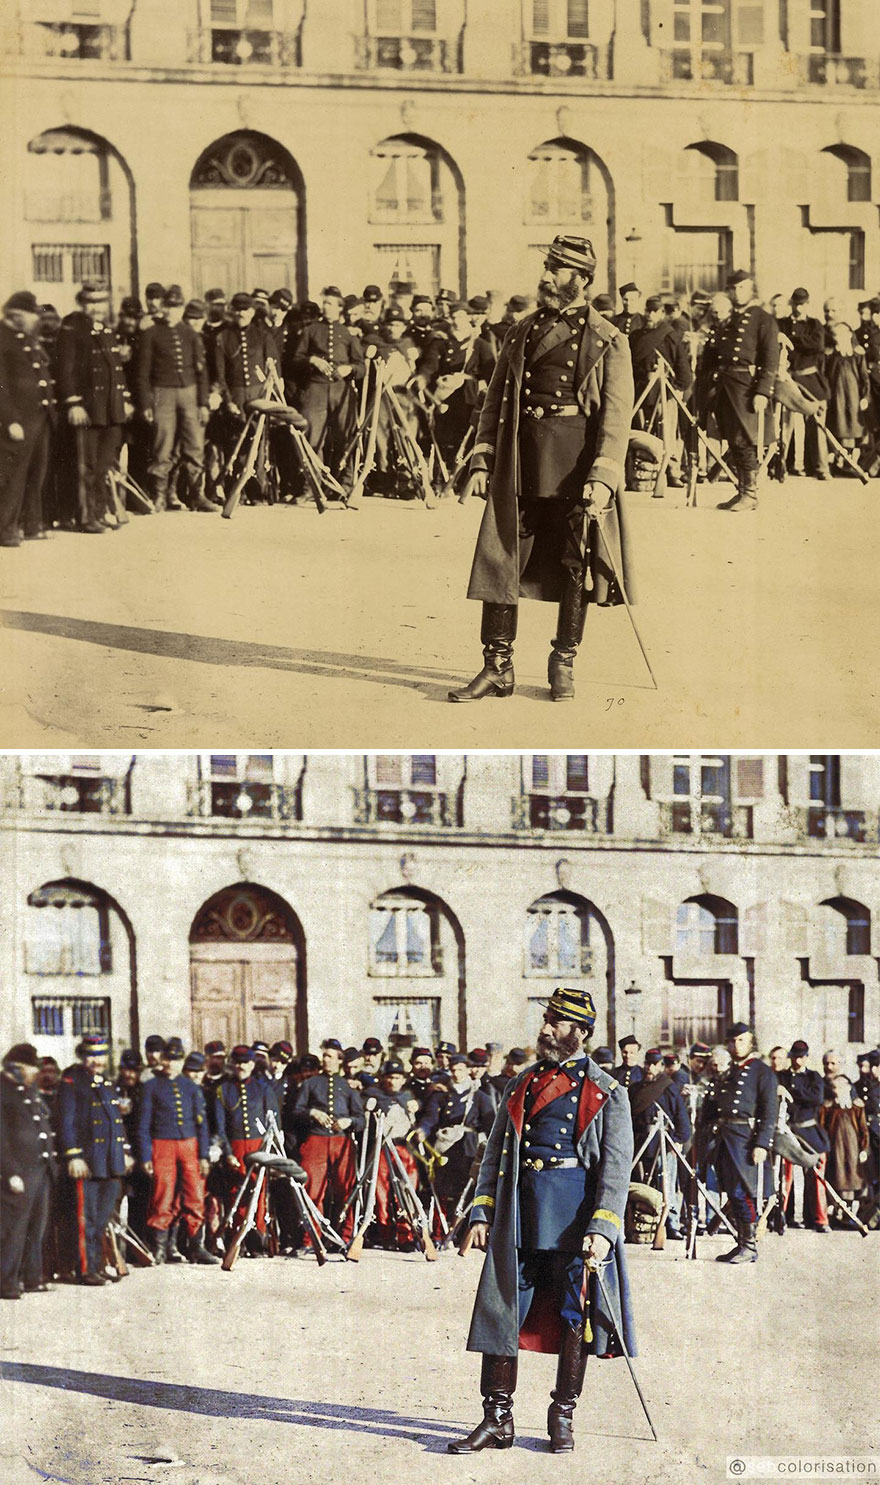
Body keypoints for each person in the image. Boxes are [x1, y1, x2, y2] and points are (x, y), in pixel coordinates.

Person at [448, 234, 634, 705]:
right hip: (520, 461)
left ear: (583, 280)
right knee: (500, 559)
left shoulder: (608, 339)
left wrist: (603, 477)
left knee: (575, 565)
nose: (547, 277)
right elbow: (493, 401)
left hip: (574, 468)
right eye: (547, 267)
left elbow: (616, 417)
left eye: (558, 270)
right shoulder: (522, 329)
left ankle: (563, 662)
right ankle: (497, 667)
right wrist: (483, 458)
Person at [449, 987, 634, 1455]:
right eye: (547, 1019)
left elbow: (615, 1169)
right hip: (519, 1215)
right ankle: (497, 1419)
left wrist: (603, 1228)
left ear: (582, 1033)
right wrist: (482, 1210)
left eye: (558, 1022)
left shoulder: (608, 1093)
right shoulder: (521, 1083)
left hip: (575, 1220)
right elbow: (493, 1155)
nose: (547, 1028)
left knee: (576, 1316)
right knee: (501, 1310)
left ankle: (563, 1416)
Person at [54, 282, 130, 533]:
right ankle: (86, 517)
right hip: (88, 410)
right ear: (81, 302)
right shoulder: (71, 328)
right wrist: (73, 403)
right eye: (90, 302)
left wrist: (124, 399)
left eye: (100, 302)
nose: (96, 307)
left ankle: (99, 512)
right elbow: (63, 370)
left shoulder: (105, 329)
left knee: (103, 466)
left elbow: (115, 369)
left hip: (110, 409)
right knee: (86, 467)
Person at [700, 269, 779, 512]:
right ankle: (742, 491)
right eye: (733, 288)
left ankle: (751, 494)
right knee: (731, 440)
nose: (737, 292)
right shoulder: (728, 318)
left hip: (746, 386)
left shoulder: (762, 318)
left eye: (742, 287)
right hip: (725, 385)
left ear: (751, 289)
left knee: (744, 440)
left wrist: (762, 392)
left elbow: (770, 357)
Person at [56, 1033, 131, 1285]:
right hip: (87, 1162)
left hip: (109, 1162)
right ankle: (86, 1270)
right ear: (82, 1056)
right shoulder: (71, 1081)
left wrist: (124, 1152)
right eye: (91, 1055)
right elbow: (65, 1122)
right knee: (85, 1220)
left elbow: (115, 1123)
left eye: (100, 1056)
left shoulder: (106, 1083)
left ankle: (98, 1265)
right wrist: (73, 1155)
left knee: (101, 1220)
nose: (96, 1061)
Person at [136, 1037, 218, 1264]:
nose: (171, 1064)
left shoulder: (190, 1087)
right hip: (162, 1144)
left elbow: (201, 1124)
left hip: (189, 1145)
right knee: (163, 1194)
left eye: (176, 1059)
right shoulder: (151, 1086)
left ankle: (196, 1246)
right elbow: (143, 1125)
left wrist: (203, 1155)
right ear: (161, 1059)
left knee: (194, 1194)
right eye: (168, 1059)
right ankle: (159, 1247)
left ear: (182, 1061)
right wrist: (145, 1156)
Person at [702, 1023, 777, 1263]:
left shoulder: (762, 1072)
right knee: (732, 1194)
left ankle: (750, 1247)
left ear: (751, 1043)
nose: (736, 1045)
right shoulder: (729, 1071)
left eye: (742, 1041)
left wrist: (762, 1144)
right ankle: (742, 1243)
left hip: (746, 1139)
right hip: (725, 1137)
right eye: (733, 1041)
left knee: (743, 1192)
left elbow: (769, 1111)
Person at [135, 284, 213, 513]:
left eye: (176, 307)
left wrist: (203, 403)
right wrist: (146, 404)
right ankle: (159, 495)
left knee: (195, 445)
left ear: (182, 309)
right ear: (162, 307)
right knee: (163, 444)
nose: (171, 312)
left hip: (189, 393)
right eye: (168, 307)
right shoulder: (151, 333)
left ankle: (197, 495)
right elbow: (142, 373)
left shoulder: (189, 333)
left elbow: (201, 371)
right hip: (163, 393)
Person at [291, 1039, 364, 1247]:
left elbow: (361, 1119)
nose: (325, 1060)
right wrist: (311, 1112)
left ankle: (346, 1237)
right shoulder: (310, 1084)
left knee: (347, 1189)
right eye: (324, 1056)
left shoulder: (348, 1088)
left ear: (340, 1060)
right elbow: (295, 1113)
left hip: (341, 1143)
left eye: (330, 1056)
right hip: (315, 1141)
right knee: (312, 1189)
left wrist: (348, 1121)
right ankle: (310, 1239)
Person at [290, 285, 365, 485]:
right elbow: (295, 359)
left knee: (345, 436)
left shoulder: (348, 334)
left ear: (340, 308)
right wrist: (312, 360)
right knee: (312, 436)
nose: (325, 307)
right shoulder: (310, 330)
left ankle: (346, 484)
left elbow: (361, 366)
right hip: (316, 389)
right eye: (324, 303)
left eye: (330, 304)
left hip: (341, 391)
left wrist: (348, 369)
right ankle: (312, 485)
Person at [1, 1043, 56, 1299]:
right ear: (15, 1066)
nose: (35, 1072)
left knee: (37, 1227)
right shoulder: (3, 1090)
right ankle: (7, 1282)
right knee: (14, 1229)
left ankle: (32, 1278)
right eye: (31, 1067)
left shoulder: (27, 1090)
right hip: (19, 1173)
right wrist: (10, 1171)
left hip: (40, 1169)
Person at [0, 290, 54, 546]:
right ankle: (6, 529)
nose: (36, 320)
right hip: (18, 420)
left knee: (36, 473)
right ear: (16, 315)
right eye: (31, 315)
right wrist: (10, 419)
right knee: (13, 476)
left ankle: (33, 524)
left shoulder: (27, 338)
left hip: (39, 416)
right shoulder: (2, 337)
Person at [214, 1045, 280, 1252]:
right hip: (235, 1146)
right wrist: (227, 1153)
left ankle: (257, 1237)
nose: (241, 1067)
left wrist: (273, 1151)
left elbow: (274, 1124)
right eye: (238, 1063)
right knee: (236, 1190)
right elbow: (220, 1126)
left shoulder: (263, 1089)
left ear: (252, 1064)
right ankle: (237, 1238)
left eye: (245, 1063)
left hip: (258, 1146)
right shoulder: (223, 1089)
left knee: (258, 1189)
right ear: (232, 1065)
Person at [629, 1049, 692, 1239]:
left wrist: (678, 1140)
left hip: (663, 1141)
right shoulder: (635, 1089)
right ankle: (638, 1222)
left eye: (655, 1064)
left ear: (661, 1067)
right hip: (640, 1141)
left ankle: (671, 1224)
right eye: (648, 1064)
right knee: (640, 1184)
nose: (650, 1068)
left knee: (666, 1182)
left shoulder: (668, 1088)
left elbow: (681, 1116)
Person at [777, 288, 830, 478]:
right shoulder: (781, 323)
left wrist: (790, 340)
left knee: (816, 419)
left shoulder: (815, 324)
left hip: (809, 378)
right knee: (783, 423)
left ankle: (820, 467)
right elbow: (776, 343)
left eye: (802, 304)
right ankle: (782, 464)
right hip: (788, 377)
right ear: (791, 304)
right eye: (796, 304)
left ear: (808, 305)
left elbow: (817, 345)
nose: (798, 308)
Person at [778, 1039, 830, 1232]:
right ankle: (780, 1216)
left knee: (816, 1176)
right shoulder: (781, 1076)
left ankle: (819, 1219)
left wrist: (792, 1092)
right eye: (795, 1057)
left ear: (807, 1058)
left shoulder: (814, 1077)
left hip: (809, 1132)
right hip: (788, 1132)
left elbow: (816, 1098)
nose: (798, 1061)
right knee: (784, 1178)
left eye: (802, 1057)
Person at [818, 1076, 869, 1226]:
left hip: (853, 1151)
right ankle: (836, 1213)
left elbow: (863, 1130)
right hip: (835, 1150)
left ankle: (850, 1214)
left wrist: (864, 1149)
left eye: (840, 1087)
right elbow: (822, 1128)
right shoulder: (827, 1108)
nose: (837, 1090)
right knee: (837, 1178)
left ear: (848, 1088)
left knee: (854, 1179)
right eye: (834, 1087)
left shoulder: (857, 1107)